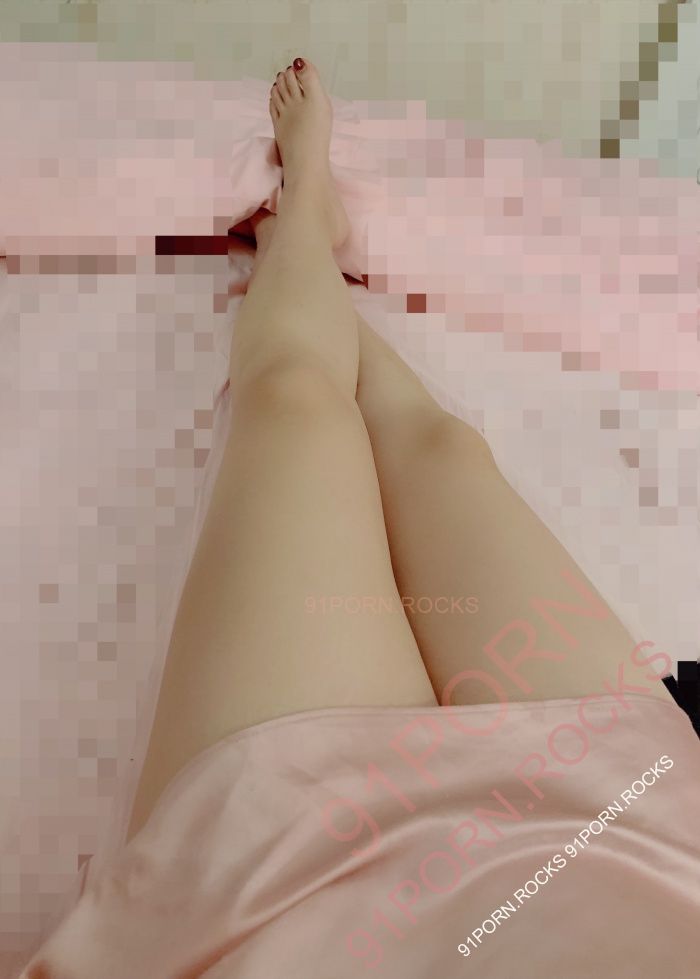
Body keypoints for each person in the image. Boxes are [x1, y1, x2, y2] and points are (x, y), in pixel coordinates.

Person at [23, 58, 700, 979]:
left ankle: (302, 227)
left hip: (308, 897)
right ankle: (310, 241)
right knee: (439, 448)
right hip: (623, 835)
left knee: (296, 403)